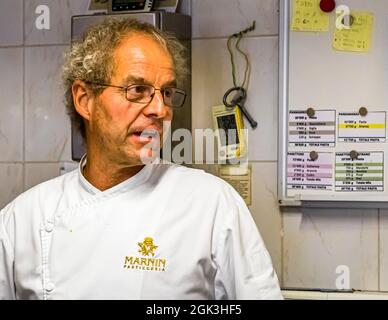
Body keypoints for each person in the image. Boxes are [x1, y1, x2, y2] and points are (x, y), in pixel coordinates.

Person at [0, 17, 282, 300]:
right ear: (85, 99)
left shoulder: (212, 205)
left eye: (167, 93)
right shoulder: (21, 220)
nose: (160, 109)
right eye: (137, 90)